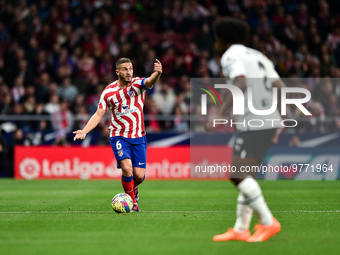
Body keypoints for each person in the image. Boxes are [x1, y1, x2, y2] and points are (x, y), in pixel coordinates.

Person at [206, 18, 283, 242]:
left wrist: (219, 115)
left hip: (254, 121)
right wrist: (281, 120)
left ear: (222, 38)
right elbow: (280, 87)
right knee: (246, 175)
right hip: (267, 120)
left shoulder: (230, 55)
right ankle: (241, 228)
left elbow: (240, 82)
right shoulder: (259, 56)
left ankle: (268, 222)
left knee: (237, 174)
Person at [73, 58, 162, 212]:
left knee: (139, 176)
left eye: (131, 69)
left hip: (138, 136)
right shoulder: (108, 92)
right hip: (119, 135)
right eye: (125, 69)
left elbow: (149, 81)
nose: (129, 72)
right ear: (118, 72)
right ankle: (133, 204)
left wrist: (158, 73)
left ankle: (132, 189)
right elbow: (98, 114)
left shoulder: (137, 84)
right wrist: (84, 130)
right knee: (127, 169)